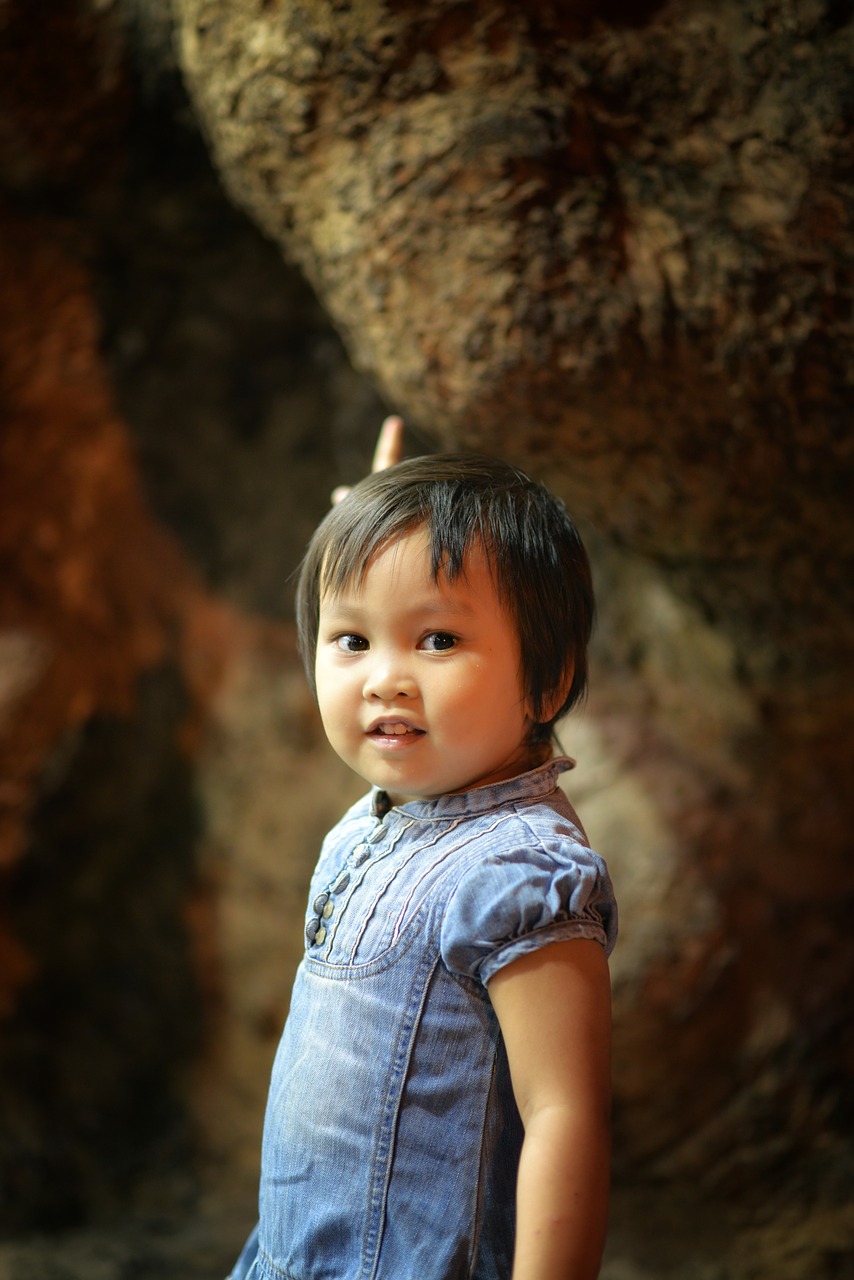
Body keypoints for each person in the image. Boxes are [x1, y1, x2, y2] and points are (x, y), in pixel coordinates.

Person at [228, 419, 617, 1280]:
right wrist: (366, 520)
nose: (385, 677)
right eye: (352, 641)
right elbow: (371, 598)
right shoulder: (394, 808)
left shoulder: (521, 872)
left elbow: (565, 1115)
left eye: (438, 640)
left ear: (547, 681)